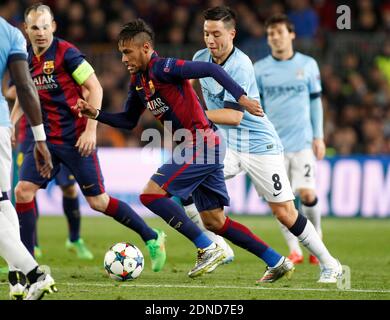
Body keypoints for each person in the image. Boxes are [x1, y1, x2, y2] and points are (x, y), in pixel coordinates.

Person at [75, 18, 294, 282]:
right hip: (204, 145)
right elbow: (128, 121)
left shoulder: (163, 68)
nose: (123, 58)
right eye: (121, 53)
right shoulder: (139, 81)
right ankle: (276, 260)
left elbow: (210, 70)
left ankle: (207, 246)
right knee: (215, 221)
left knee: (150, 195)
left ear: (145, 48)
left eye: (127, 52)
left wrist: (241, 97)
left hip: (202, 143)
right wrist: (95, 113)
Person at [181, 6, 341, 283]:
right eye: (206, 33)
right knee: (184, 184)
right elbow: (188, 89)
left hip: (259, 145)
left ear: (232, 34)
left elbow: (233, 115)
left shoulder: (241, 64)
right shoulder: (200, 57)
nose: (210, 40)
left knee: (284, 212)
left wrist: (191, 115)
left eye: (216, 33)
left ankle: (330, 264)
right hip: (226, 146)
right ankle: (215, 247)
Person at [13, 3, 166, 274]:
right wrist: (12, 126)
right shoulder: (25, 57)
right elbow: (25, 96)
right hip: (45, 141)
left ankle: (151, 236)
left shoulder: (67, 53)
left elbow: (94, 87)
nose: (40, 32)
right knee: (23, 191)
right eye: (35, 27)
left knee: (98, 202)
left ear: (54, 27)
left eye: (45, 26)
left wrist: (90, 130)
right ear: (26, 29)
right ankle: (27, 264)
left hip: (75, 138)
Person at [254, 14, 325, 265]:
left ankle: (317, 242)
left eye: (280, 32)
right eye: (271, 33)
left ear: (291, 34)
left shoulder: (308, 65)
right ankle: (294, 249)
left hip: (303, 143)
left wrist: (319, 136)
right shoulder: (259, 69)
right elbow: (256, 108)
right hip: (273, 147)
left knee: (307, 194)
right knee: (281, 201)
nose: (275, 37)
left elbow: (315, 103)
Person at [0, 16, 57, 300]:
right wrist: (39, 137)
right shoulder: (10, 33)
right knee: (2, 199)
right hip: (0, 125)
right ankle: (15, 278)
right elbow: (25, 85)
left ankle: (35, 274)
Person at [7, 85, 94, 260]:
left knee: (69, 188)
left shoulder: (65, 62)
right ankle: (33, 244)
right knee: (26, 190)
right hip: (29, 137)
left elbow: (88, 89)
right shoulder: (25, 62)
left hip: (61, 134)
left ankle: (75, 239)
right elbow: (11, 91)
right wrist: (33, 88)